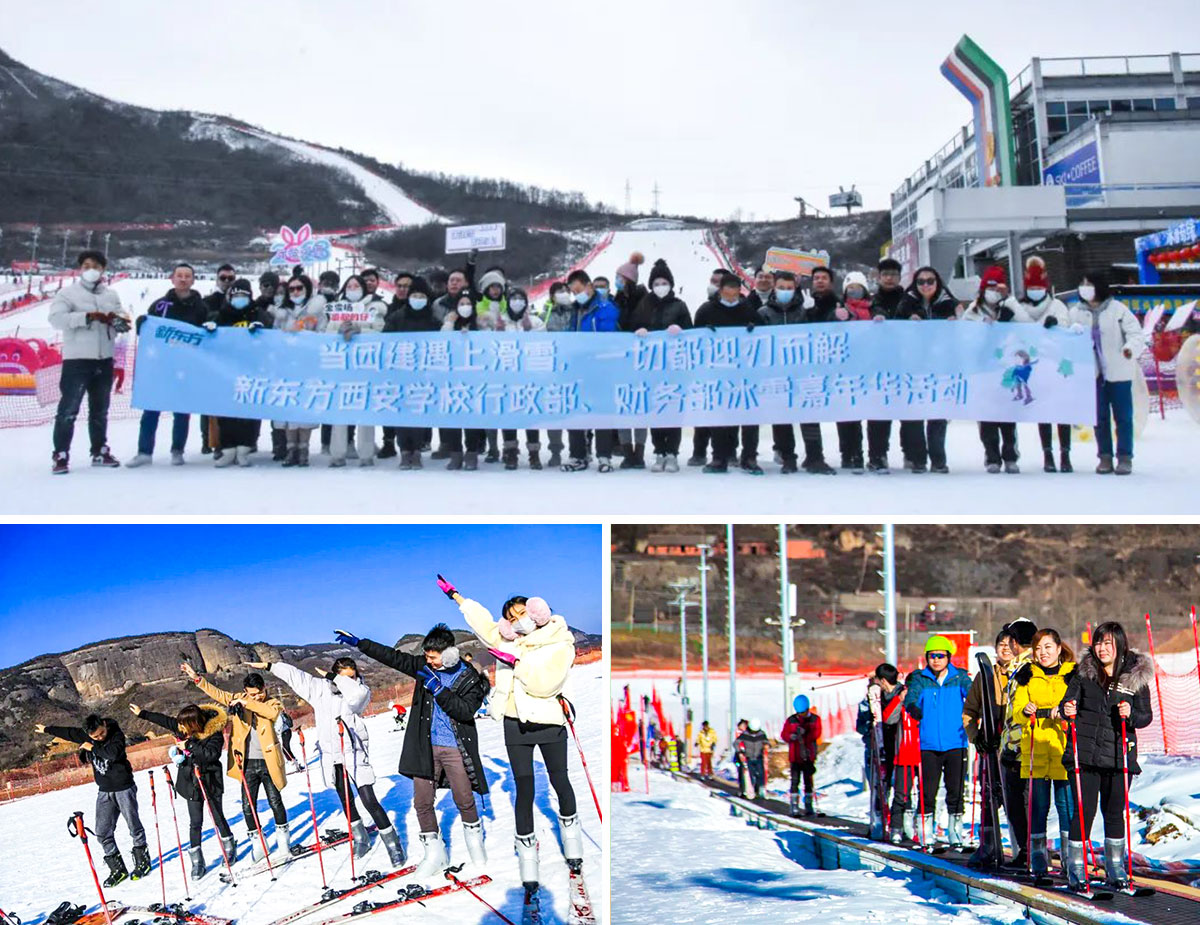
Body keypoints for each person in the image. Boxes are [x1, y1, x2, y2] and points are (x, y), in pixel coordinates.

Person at [443, 578, 582, 895]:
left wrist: (517, 664)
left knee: (560, 780)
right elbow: (484, 625)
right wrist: (457, 597)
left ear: (537, 612)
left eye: (522, 612)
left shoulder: (559, 642)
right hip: (514, 722)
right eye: (511, 616)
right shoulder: (507, 643)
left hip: (549, 721)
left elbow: (545, 685)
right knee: (524, 788)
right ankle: (528, 855)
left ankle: (572, 841)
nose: (517, 619)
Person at [333, 620, 491, 884]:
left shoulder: (469, 679)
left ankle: (475, 844)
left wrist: (439, 690)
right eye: (426, 657)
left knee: (464, 798)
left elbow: (464, 711)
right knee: (422, 803)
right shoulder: (423, 667)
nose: (428, 662)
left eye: (433, 657)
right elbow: (392, 657)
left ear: (450, 653)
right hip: (425, 748)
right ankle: (435, 853)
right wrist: (360, 644)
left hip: (455, 747)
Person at [260, 656, 405, 866]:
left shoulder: (359, 691)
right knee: (346, 799)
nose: (350, 681)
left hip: (353, 752)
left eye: (352, 677)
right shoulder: (320, 689)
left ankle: (392, 842)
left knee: (369, 800)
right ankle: (360, 837)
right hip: (331, 755)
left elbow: (357, 695)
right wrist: (272, 666)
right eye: (344, 677)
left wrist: (337, 678)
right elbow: (297, 677)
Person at [1060, 621, 1153, 892]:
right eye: (1098, 643)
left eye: (1108, 643)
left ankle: (1115, 867)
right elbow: (1067, 702)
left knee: (1114, 813)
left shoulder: (1134, 677)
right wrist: (1068, 708)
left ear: (1120, 645)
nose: (1102, 648)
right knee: (1083, 812)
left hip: (1119, 756)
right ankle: (1076, 869)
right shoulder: (1084, 674)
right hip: (1086, 756)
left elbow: (1145, 716)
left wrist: (1131, 715)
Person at [181, 662, 290, 862]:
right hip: (246, 762)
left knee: (275, 801)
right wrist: (196, 678)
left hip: (269, 762)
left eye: (259, 693)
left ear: (264, 688)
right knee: (248, 807)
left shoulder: (272, 703)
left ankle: (284, 841)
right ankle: (258, 843)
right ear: (244, 691)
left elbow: (272, 714)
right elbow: (218, 694)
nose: (256, 697)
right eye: (251, 694)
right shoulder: (238, 700)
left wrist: (248, 703)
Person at [36, 715, 150, 885]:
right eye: (94, 737)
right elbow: (69, 733)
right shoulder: (88, 736)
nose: (99, 738)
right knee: (102, 831)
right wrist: (47, 729)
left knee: (133, 826)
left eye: (101, 734)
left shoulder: (116, 734)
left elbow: (113, 754)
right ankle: (117, 869)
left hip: (123, 787)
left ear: (104, 725)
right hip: (104, 790)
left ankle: (143, 861)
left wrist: (92, 747)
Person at [129, 701, 236, 879]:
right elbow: (165, 721)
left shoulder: (213, 733)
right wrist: (142, 713)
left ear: (193, 724)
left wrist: (189, 746)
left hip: (209, 781)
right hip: (190, 782)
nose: (179, 728)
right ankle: (197, 861)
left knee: (218, 817)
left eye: (183, 724)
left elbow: (211, 755)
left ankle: (230, 848)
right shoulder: (183, 730)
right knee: (195, 822)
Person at [48, 249, 131, 474]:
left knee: (100, 410)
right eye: (86, 266)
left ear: (103, 269)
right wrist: (86, 317)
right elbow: (56, 319)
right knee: (69, 409)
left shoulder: (110, 295)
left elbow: (123, 317)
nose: (91, 270)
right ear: (80, 269)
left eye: (96, 266)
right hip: (77, 360)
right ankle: (61, 453)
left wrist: (119, 321)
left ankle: (99, 450)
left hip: (104, 359)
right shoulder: (68, 294)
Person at [127, 264, 208, 467]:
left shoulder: (201, 307)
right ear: (172, 279)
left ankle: (177, 450)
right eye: (179, 275)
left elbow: (207, 336)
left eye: (187, 276)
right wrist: (142, 324)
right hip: (160, 365)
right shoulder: (160, 305)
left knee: (182, 411)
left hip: (186, 367)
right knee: (151, 409)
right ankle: (144, 451)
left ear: (193, 280)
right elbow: (148, 332)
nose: (183, 279)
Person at [1012, 629, 1077, 879]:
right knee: (1038, 807)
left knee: (1066, 807)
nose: (1043, 653)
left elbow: (1081, 706)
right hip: (1035, 749)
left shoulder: (1073, 674)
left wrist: (1067, 712)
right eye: (1038, 648)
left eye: (1048, 647)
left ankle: (1070, 859)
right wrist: (1025, 710)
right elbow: (1016, 711)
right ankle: (1038, 857)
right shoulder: (1027, 675)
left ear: (1059, 648)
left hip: (1063, 748)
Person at [962, 266, 1032, 473]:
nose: (994, 292)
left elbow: (1027, 325)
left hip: (1007, 368)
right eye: (990, 288)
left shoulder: (1010, 306)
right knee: (987, 416)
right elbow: (966, 336)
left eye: (998, 288)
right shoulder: (973, 310)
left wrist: (1008, 308)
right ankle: (991, 455)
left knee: (1008, 414)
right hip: (983, 369)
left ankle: (1010, 454)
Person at [903, 634, 971, 847]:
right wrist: (913, 707)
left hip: (956, 743)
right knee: (928, 790)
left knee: (956, 790)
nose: (936, 660)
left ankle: (955, 831)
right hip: (928, 745)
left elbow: (973, 696)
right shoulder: (920, 679)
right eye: (932, 656)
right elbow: (910, 698)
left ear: (948, 657)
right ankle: (925, 832)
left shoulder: (959, 678)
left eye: (941, 656)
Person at [628, 259, 693, 472]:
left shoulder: (679, 305)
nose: (660, 286)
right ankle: (659, 452)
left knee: (673, 409)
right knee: (655, 409)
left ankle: (672, 453)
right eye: (657, 283)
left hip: (674, 367)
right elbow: (633, 325)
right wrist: (639, 331)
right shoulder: (644, 305)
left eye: (664, 282)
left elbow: (691, 332)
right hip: (651, 367)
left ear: (671, 284)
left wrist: (680, 329)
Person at [1020, 257, 1084, 473]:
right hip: (1033, 367)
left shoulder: (1057, 305)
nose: (1035, 290)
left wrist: (1056, 324)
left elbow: (1066, 326)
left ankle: (1065, 453)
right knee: (1043, 412)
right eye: (1032, 287)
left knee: (1061, 410)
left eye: (1039, 287)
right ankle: (1047, 453)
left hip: (1056, 365)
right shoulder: (1021, 306)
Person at [694, 272, 762, 473]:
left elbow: (765, 335)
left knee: (749, 416)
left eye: (735, 290)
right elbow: (694, 336)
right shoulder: (706, 310)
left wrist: (754, 329)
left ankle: (749, 456)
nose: (731, 294)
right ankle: (719, 457)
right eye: (727, 290)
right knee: (719, 416)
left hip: (745, 372)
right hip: (717, 372)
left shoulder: (748, 309)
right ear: (721, 290)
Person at [1079, 269, 1145, 474]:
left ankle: (1125, 457)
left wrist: (1130, 349)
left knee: (1123, 416)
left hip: (1118, 370)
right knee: (1099, 417)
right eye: (1083, 284)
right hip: (1093, 373)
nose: (1085, 289)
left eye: (1088, 284)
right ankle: (1104, 456)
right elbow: (1064, 331)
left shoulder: (1118, 310)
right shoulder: (1077, 312)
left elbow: (1136, 334)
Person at [895, 267, 959, 473]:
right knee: (914, 414)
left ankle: (938, 459)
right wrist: (908, 322)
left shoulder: (949, 303)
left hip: (941, 366)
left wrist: (957, 321)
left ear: (937, 282)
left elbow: (966, 329)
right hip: (913, 366)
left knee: (938, 414)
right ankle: (918, 458)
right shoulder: (906, 302)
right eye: (921, 281)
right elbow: (894, 329)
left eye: (930, 281)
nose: (925, 285)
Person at [963, 627, 1014, 867]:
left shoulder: (1025, 674)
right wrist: (976, 736)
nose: (1005, 647)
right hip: (991, 746)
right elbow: (969, 711)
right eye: (1000, 643)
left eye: (1009, 643)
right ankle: (989, 845)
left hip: (1015, 749)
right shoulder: (985, 676)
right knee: (989, 797)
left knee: (1017, 799)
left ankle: (1022, 849)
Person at [323, 274, 386, 468]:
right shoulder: (338, 308)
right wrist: (339, 331)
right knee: (340, 412)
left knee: (366, 412)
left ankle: (366, 454)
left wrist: (360, 331)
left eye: (356, 286)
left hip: (365, 366)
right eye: (348, 286)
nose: (352, 289)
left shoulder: (373, 307)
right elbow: (327, 334)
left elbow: (379, 331)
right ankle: (338, 453)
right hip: (342, 367)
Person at [210, 278, 269, 468]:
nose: (239, 299)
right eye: (236, 296)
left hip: (252, 370)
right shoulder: (223, 315)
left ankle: (245, 447)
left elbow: (271, 335)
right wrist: (209, 330)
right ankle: (227, 448)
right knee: (227, 410)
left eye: (243, 295)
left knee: (248, 411)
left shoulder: (258, 313)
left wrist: (262, 330)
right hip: (226, 370)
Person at [384, 276, 440, 469]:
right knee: (401, 414)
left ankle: (416, 450)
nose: (418, 298)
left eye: (421, 295)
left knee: (418, 414)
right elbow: (385, 341)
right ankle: (404, 451)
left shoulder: (433, 320)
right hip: (400, 372)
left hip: (422, 375)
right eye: (414, 294)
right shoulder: (397, 317)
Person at [756, 271, 810, 473]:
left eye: (789, 288)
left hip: (801, 370)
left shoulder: (804, 311)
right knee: (781, 415)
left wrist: (813, 313)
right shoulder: (764, 312)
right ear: (774, 288)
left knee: (808, 413)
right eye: (781, 288)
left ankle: (814, 455)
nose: (785, 292)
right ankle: (788, 456)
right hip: (776, 371)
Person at [271, 274, 325, 466]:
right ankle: (290, 448)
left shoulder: (316, 311)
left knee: (304, 407)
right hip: (285, 366)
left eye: (299, 288)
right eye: (292, 289)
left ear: (307, 289)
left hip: (307, 365)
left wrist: (305, 336)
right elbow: (273, 336)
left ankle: (304, 449)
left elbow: (323, 334)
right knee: (287, 407)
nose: (295, 292)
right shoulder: (282, 312)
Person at [999, 617, 1038, 868]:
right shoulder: (1020, 666)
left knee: (1021, 803)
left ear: (1014, 642)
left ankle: (1029, 853)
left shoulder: (1026, 667)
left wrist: (1012, 747)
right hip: (1021, 744)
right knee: (1023, 803)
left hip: (1022, 746)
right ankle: (1028, 852)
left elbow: (1022, 712)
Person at [687, 267, 735, 467]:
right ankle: (699, 451)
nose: (713, 285)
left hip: (732, 368)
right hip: (708, 369)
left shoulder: (740, 306)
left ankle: (730, 451)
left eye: (718, 282)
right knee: (706, 411)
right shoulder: (705, 309)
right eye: (712, 281)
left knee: (731, 412)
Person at [496, 286, 546, 470]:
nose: (517, 302)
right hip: (506, 376)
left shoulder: (535, 321)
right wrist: (497, 332)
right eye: (513, 298)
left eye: (521, 298)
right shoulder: (500, 322)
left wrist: (528, 331)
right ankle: (510, 451)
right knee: (508, 415)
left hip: (529, 376)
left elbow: (545, 344)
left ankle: (534, 452)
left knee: (530, 413)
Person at [865, 259, 907, 472]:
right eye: (885, 274)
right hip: (879, 365)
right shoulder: (871, 302)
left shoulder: (909, 299)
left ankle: (913, 454)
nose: (889, 278)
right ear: (878, 277)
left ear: (899, 277)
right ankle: (877, 455)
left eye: (893, 274)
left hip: (906, 364)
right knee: (879, 413)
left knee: (910, 411)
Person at [440, 291, 487, 470]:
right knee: (453, 418)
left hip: (474, 377)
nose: (465, 307)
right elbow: (442, 342)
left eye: (468, 303)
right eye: (461, 303)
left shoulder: (480, 323)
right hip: (452, 377)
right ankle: (455, 454)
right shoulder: (449, 323)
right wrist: (450, 323)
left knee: (471, 418)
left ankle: (472, 453)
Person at [781, 696, 821, 816]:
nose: (801, 715)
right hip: (795, 756)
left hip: (808, 755)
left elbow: (816, 733)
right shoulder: (791, 720)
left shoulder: (814, 720)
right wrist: (791, 737)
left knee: (808, 781)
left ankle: (809, 806)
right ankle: (794, 806)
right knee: (795, 781)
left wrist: (804, 735)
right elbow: (784, 734)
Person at [736, 718, 769, 800]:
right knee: (751, 774)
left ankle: (760, 790)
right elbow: (736, 743)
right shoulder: (745, 734)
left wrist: (766, 745)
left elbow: (766, 741)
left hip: (759, 757)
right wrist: (740, 752)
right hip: (749, 757)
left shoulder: (761, 734)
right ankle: (751, 790)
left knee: (760, 774)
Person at [733, 718, 749, 795]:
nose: (743, 726)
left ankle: (748, 789)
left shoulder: (747, 733)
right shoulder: (739, 733)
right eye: (742, 725)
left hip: (747, 754)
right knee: (741, 772)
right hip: (740, 754)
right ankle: (742, 789)